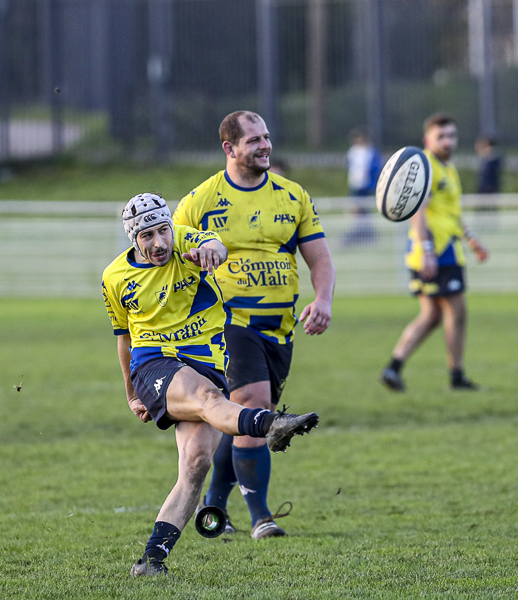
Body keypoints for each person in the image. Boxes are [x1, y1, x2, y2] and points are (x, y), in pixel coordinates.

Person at [102, 192, 321, 576]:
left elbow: (215, 245)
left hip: (207, 360)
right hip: (154, 361)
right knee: (206, 397)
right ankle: (271, 424)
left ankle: (152, 559)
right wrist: (131, 393)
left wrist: (212, 253)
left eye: (163, 231)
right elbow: (124, 338)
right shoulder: (115, 277)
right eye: (147, 236)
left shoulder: (185, 240)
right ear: (133, 238)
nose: (159, 242)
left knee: (197, 462)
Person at [173, 111, 336, 540]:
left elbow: (319, 257)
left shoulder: (293, 195)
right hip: (228, 322)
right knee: (255, 403)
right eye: (254, 140)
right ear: (229, 148)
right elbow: (169, 257)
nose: (265, 145)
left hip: (280, 327)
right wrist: (192, 258)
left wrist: (323, 299)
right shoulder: (201, 200)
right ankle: (261, 516)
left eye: (266, 137)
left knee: (245, 418)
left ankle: (213, 505)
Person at [380, 113, 489, 392]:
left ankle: (394, 367)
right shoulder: (424, 166)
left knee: (432, 315)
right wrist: (427, 250)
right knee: (456, 312)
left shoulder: (448, 168)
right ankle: (456, 376)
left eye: (452, 135)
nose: (448, 141)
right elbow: (418, 211)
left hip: (444, 247)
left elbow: (451, 212)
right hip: (437, 251)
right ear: (427, 139)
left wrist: (471, 238)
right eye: (441, 136)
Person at [344, 127, 382, 245]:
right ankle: (359, 232)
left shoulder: (370, 152)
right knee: (356, 210)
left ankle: (368, 234)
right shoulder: (352, 152)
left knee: (365, 210)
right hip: (355, 185)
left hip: (366, 186)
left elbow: (376, 168)